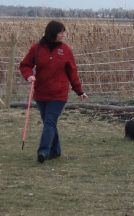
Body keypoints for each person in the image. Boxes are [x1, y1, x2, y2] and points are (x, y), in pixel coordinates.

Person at [20, 20, 88, 163]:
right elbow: (25, 65)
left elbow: (72, 73)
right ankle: (56, 151)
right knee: (48, 122)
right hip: (41, 93)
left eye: (64, 32)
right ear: (52, 33)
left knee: (49, 122)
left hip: (59, 94)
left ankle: (43, 152)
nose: (63, 35)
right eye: (60, 32)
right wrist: (29, 76)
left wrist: (79, 91)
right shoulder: (37, 49)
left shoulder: (66, 50)